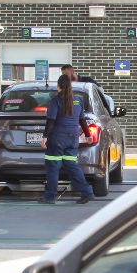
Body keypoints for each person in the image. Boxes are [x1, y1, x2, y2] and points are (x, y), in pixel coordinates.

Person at [40, 74, 95, 205]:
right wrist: (87, 135)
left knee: (53, 167)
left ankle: (50, 196)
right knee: (72, 166)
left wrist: (45, 137)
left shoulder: (55, 101)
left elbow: (51, 121)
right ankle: (87, 192)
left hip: (57, 139)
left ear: (58, 86)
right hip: (73, 139)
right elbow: (82, 120)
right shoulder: (78, 100)